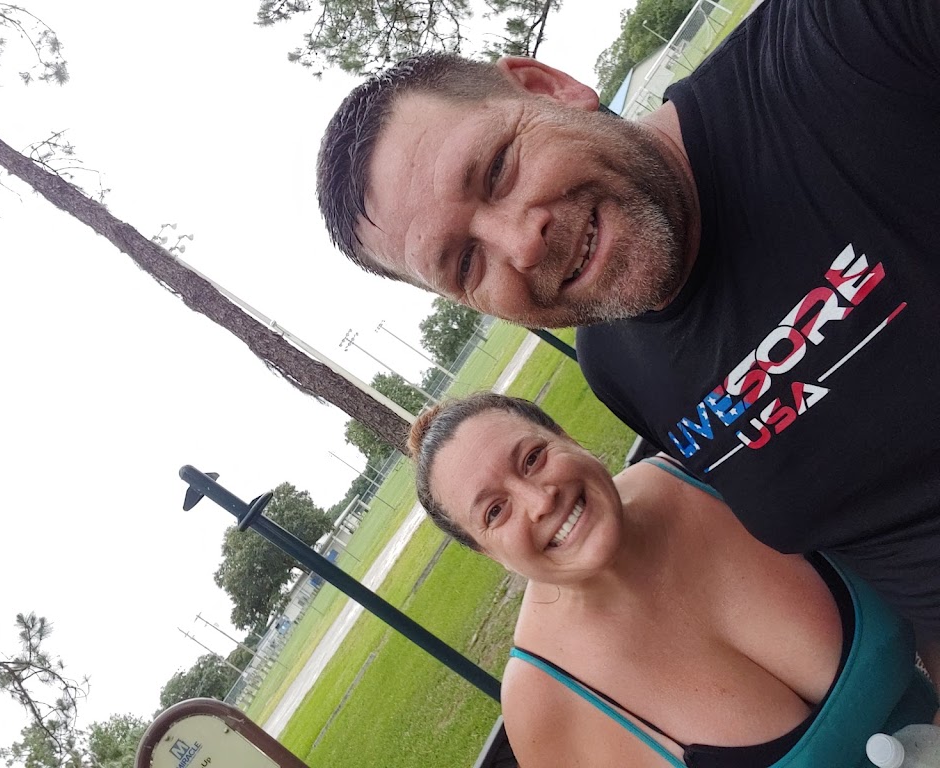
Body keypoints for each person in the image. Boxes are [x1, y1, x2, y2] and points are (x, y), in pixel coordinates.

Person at [315, 0, 940, 685]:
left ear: (549, 87)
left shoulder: (849, 45)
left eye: (496, 170)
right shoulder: (615, 366)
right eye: (466, 263)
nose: (522, 245)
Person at [408, 392, 937, 767]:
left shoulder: (715, 469)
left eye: (533, 457)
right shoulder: (545, 705)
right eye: (495, 511)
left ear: (567, 438)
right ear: (488, 553)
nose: (539, 500)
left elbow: (914, 555)